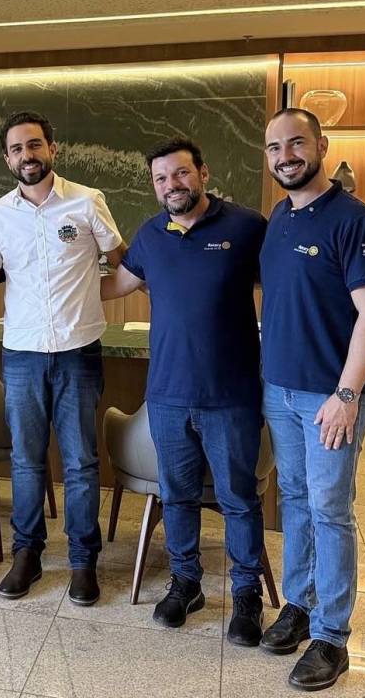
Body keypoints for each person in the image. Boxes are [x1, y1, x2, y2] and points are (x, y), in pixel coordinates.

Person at [0, 111, 124, 606]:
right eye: (16, 149)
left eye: (34, 145)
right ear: (7, 158)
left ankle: (82, 561)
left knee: (80, 463)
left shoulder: (87, 201)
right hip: (23, 356)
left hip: (78, 352)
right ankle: (27, 554)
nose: (26, 156)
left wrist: (90, 298)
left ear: (52, 148)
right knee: (27, 462)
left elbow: (126, 266)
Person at [100, 137, 267, 645]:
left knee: (238, 499)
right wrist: (54, 272)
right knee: (177, 496)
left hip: (231, 394)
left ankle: (246, 594)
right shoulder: (151, 235)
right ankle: (186, 583)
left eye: (180, 173)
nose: (171, 184)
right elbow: (113, 285)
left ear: (203, 174)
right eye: (161, 178)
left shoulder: (246, 227)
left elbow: (285, 288)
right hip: (167, 396)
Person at [259, 108, 365, 691]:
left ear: (321, 145)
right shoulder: (279, 218)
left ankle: (332, 637)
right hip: (280, 391)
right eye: (275, 148)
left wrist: (346, 394)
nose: (285, 156)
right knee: (294, 498)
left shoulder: (356, 221)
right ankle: (300, 603)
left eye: (296, 143)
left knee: (330, 509)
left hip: (330, 397)